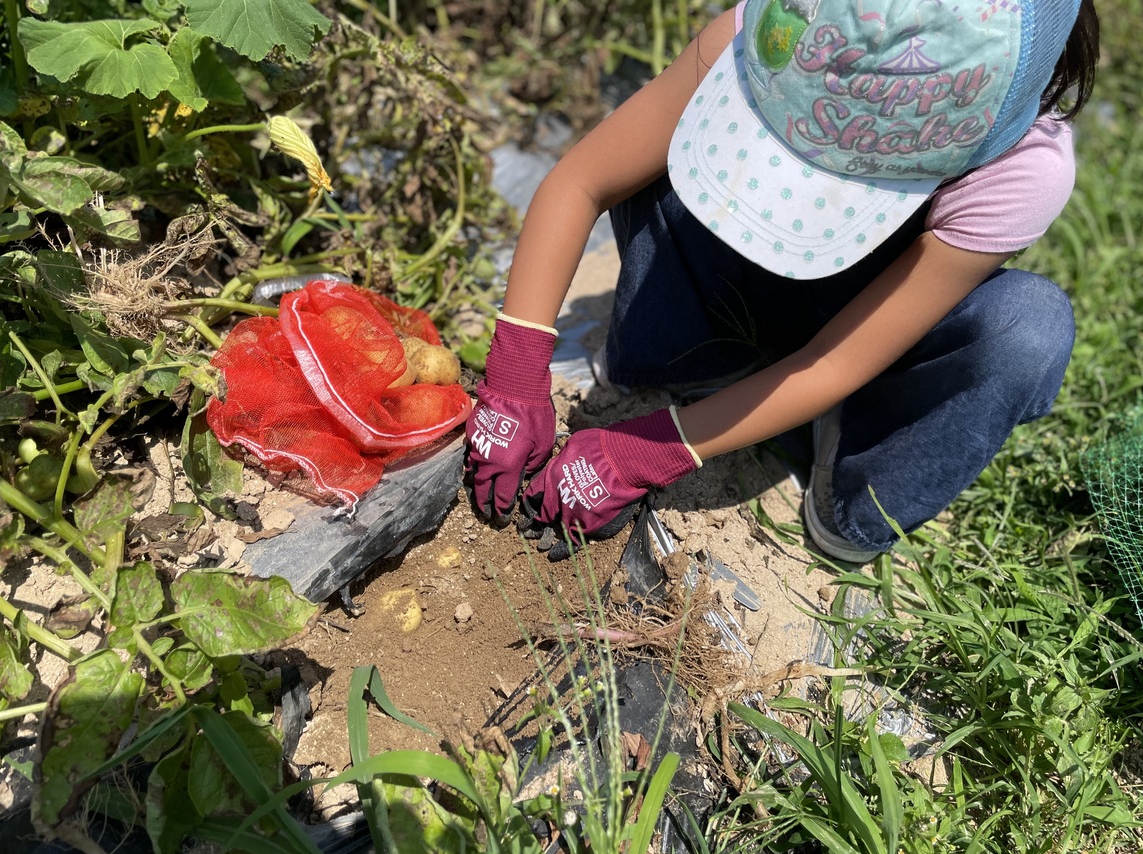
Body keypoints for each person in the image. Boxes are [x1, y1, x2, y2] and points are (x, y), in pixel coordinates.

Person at [465, 0, 1101, 563]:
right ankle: (683, 359)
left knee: (1027, 329)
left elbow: (836, 360)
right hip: (728, 293)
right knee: (663, 141)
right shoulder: (780, 39)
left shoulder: (1020, 172)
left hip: (866, 343)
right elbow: (583, 181)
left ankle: (851, 488)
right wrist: (515, 375)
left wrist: (652, 449)